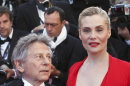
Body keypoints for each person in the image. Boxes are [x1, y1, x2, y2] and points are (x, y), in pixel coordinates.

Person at [67, 7, 130, 86]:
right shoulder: (73, 70)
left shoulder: (127, 70)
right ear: (80, 34)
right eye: (86, 30)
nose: (93, 36)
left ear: (109, 32)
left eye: (99, 30)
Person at [40, 6, 87, 86]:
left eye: (53, 25)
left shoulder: (76, 45)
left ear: (63, 23)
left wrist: (57, 73)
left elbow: (77, 77)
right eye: (46, 24)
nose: (49, 28)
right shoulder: (34, 39)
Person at [0, 6, 27, 84]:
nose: (1, 26)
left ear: (11, 22)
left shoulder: (25, 38)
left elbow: (30, 65)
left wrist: (14, 72)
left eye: (5, 21)